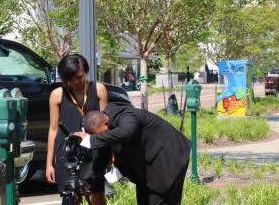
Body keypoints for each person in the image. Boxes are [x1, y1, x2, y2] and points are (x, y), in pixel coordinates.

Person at [76, 102, 191, 205]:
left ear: (106, 123)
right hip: (147, 166)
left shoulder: (126, 115)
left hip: (168, 157)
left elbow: (128, 131)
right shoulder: (108, 127)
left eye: (102, 134)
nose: (103, 138)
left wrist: (91, 140)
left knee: (161, 201)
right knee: (143, 200)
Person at [46, 53, 110, 205]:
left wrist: (110, 156)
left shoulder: (99, 89)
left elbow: (107, 126)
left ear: (85, 72)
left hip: (93, 153)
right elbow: (53, 129)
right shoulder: (57, 95)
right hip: (67, 154)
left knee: (97, 196)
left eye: (79, 77)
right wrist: (49, 163)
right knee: (72, 198)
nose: (76, 82)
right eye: (71, 78)